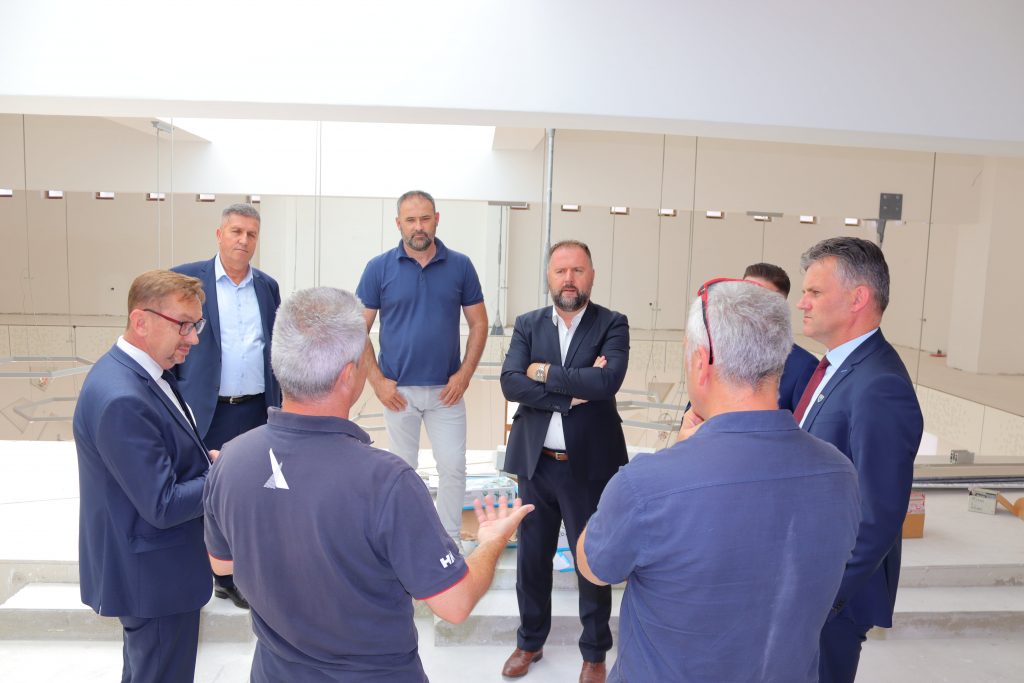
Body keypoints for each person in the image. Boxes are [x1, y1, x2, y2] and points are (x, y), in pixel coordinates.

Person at [202, 287, 531, 682]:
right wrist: (491, 540)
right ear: (349, 376)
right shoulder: (387, 483)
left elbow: (222, 564)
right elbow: (455, 604)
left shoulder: (230, 460)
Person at [576, 278, 860, 682]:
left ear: (701, 361)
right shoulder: (840, 474)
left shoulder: (647, 486)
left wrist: (673, 459)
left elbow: (594, 566)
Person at [74, 270, 216, 683]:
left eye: (197, 325)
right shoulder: (123, 397)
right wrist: (224, 474)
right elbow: (163, 504)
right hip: (154, 579)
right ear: (141, 321)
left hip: (151, 571)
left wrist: (204, 461)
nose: (193, 339)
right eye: (184, 325)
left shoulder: (138, 372)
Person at [499, 239, 629, 683]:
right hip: (535, 464)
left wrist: (543, 372)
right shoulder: (527, 324)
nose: (569, 279)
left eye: (577, 270)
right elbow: (510, 383)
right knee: (531, 559)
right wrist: (572, 391)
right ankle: (529, 642)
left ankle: (594, 652)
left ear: (591, 275)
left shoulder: (613, 323)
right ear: (549, 277)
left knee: (590, 558)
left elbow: (607, 382)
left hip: (589, 466)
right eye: (560, 271)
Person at [796, 237, 923, 683]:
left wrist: (824, 599)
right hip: (808, 579)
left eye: (814, 292)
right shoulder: (839, 368)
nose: (802, 303)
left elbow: (878, 516)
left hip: (830, 600)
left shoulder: (879, 385)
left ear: (858, 298)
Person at [356, 190, 488, 547]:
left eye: (425, 218)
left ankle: (449, 543)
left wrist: (464, 375)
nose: (419, 226)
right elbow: (357, 328)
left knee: (453, 467)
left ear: (437, 220)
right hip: (397, 392)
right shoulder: (378, 268)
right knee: (402, 472)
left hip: (447, 391)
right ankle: (407, 542)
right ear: (398, 223)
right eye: (411, 220)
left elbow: (479, 323)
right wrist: (377, 382)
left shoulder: (460, 266)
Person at [172, 202, 281, 609]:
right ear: (219, 235)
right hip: (205, 409)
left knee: (248, 491)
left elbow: (271, 347)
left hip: (255, 410)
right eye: (236, 231)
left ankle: (235, 575)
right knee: (202, 488)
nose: (243, 240)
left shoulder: (267, 287)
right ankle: (202, 568)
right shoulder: (187, 279)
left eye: (251, 234)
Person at [742, 262, 819, 411]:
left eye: (760, 300)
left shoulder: (803, 367)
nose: (747, 305)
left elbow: (802, 425)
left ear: (779, 309)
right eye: (744, 295)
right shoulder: (716, 351)